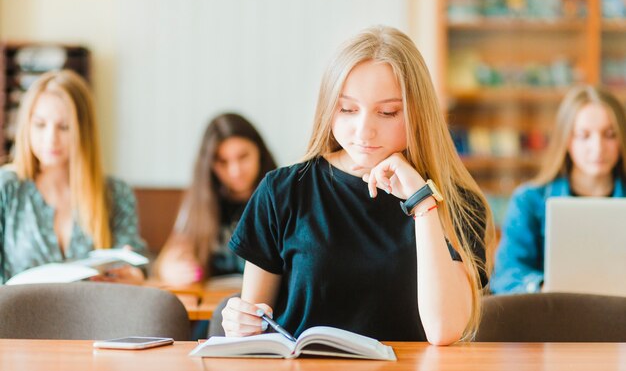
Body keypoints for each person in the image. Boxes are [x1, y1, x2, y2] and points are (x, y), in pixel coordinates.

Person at [220, 26, 495, 345]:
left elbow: (445, 330)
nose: (364, 131)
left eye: (388, 112)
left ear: (419, 114)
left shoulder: (459, 203)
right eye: (347, 109)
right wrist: (241, 321)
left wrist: (423, 203)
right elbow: (256, 324)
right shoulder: (283, 190)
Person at [0, 69, 146, 284]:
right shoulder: (7, 188)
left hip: (94, 315)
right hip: (18, 316)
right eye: (40, 125)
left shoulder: (116, 193)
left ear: (83, 131)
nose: (51, 138)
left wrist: (134, 276)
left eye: (64, 127)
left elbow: (135, 264)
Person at [491, 86, 626, 294]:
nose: (598, 147)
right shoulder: (529, 201)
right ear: (567, 139)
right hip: (555, 317)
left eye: (610, 135)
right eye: (583, 135)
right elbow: (505, 277)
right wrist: (543, 287)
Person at [154, 113, 277, 285]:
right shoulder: (201, 201)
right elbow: (167, 258)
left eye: (243, 157)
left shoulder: (280, 196)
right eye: (222, 162)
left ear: (260, 152)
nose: (235, 171)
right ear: (210, 165)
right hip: (214, 301)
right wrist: (171, 269)